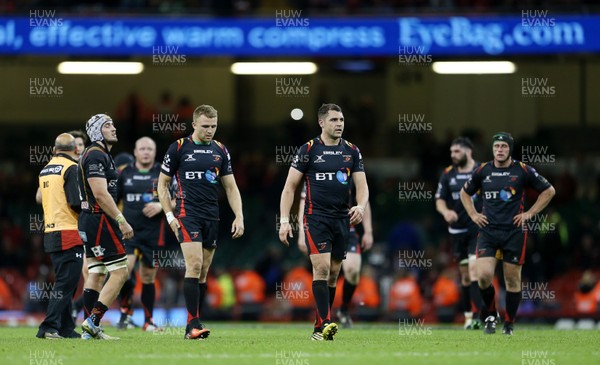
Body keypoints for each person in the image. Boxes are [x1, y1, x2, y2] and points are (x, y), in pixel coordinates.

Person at [279, 103, 369, 341]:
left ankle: (321, 325)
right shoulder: (308, 150)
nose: (339, 124)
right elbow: (289, 187)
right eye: (333, 120)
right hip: (315, 218)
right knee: (321, 268)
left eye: (341, 120)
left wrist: (360, 206)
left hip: (342, 220)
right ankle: (324, 324)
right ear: (321, 122)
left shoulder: (352, 151)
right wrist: (285, 221)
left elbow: (362, 186)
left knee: (333, 274)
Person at [157, 104, 244, 340]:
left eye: (214, 126)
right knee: (194, 265)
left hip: (211, 216)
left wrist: (239, 215)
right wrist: (169, 216)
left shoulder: (221, 150)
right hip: (187, 215)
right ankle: (192, 326)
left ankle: (194, 321)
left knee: (203, 272)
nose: (210, 131)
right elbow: (162, 184)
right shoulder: (178, 148)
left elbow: (230, 186)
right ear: (194, 124)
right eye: (205, 126)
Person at [460, 132, 555, 335]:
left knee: (512, 279)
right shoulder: (483, 170)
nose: (500, 150)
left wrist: (530, 213)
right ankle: (492, 315)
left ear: (510, 148)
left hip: (514, 232)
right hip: (488, 231)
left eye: (503, 146)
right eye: (496, 147)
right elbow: (464, 193)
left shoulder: (522, 170)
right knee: (484, 276)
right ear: (493, 149)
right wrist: (473, 214)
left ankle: (509, 324)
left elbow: (549, 191)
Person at [77, 114, 134, 340]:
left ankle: (90, 330)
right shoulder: (96, 155)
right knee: (120, 272)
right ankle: (93, 322)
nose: (114, 128)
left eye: (112, 123)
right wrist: (121, 220)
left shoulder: (99, 155)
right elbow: (100, 193)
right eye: (107, 125)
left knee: (96, 273)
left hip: (89, 219)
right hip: (100, 219)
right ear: (97, 131)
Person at [116, 137, 175, 332]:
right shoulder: (124, 174)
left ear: (155, 151)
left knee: (148, 278)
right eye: (142, 148)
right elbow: (112, 201)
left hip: (153, 234)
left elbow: (178, 199)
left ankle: (148, 321)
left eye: (149, 149)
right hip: (129, 233)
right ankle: (125, 312)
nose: (146, 152)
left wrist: (161, 205)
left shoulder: (163, 173)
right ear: (135, 152)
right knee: (124, 272)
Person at [297, 188, 373, 328]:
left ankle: (343, 309)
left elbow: (364, 201)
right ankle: (323, 321)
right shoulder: (314, 171)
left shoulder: (353, 169)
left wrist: (368, 231)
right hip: (321, 227)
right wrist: (302, 232)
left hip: (346, 229)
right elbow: (304, 203)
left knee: (352, 271)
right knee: (324, 273)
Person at [35, 133, 84, 339]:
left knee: (65, 281)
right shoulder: (71, 168)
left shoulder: (45, 169)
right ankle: (48, 326)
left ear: (54, 150)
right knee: (66, 282)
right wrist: (88, 209)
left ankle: (65, 327)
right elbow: (74, 201)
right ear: (74, 150)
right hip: (69, 230)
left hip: (51, 232)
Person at [435, 137, 483, 329]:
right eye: (451, 152)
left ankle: (480, 315)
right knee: (465, 276)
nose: (453, 155)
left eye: (457, 151)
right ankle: (469, 316)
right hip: (456, 231)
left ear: (468, 151)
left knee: (474, 270)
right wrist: (446, 211)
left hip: (477, 228)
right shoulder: (447, 174)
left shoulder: (481, 171)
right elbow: (439, 199)